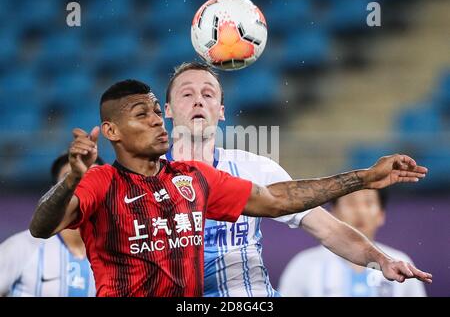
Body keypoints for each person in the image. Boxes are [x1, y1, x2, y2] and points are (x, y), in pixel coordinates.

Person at [28, 79, 430, 297]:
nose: (155, 120)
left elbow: (277, 199)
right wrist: (72, 180)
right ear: (112, 131)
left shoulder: (193, 179)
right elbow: (42, 226)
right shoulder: (102, 181)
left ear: (222, 108)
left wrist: (362, 177)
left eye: (154, 111)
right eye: (143, 113)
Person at [163, 62, 432, 297]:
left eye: (208, 94)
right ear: (167, 110)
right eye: (187, 94)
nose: (198, 100)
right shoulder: (141, 182)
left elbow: (329, 229)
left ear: (221, 111)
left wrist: (379, 260)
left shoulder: (254, 168)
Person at [278, 189, 427, 297]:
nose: (359, 211)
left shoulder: (402, 264)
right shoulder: (303, 265)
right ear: (332, 213)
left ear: (381, 214)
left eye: (368, 203)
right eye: (351, 203)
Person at [0, 152, 103, 297]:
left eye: (91, 178)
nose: (83, 186)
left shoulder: (117, 255)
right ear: (54, 192)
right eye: (73, 178)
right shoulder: (23, 246)